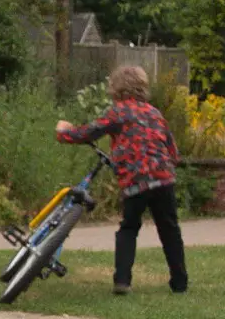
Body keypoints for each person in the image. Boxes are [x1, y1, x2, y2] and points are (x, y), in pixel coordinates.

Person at [54, 65, 188, 295]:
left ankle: (122, 280)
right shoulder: (156, 114)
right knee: (170, 230)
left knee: (129, 228)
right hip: (163, 178)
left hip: (135, 181)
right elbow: (173, 152)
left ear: (116, 88)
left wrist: (64, 131)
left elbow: (89, 132)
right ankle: (180, 283)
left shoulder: (118, 112)